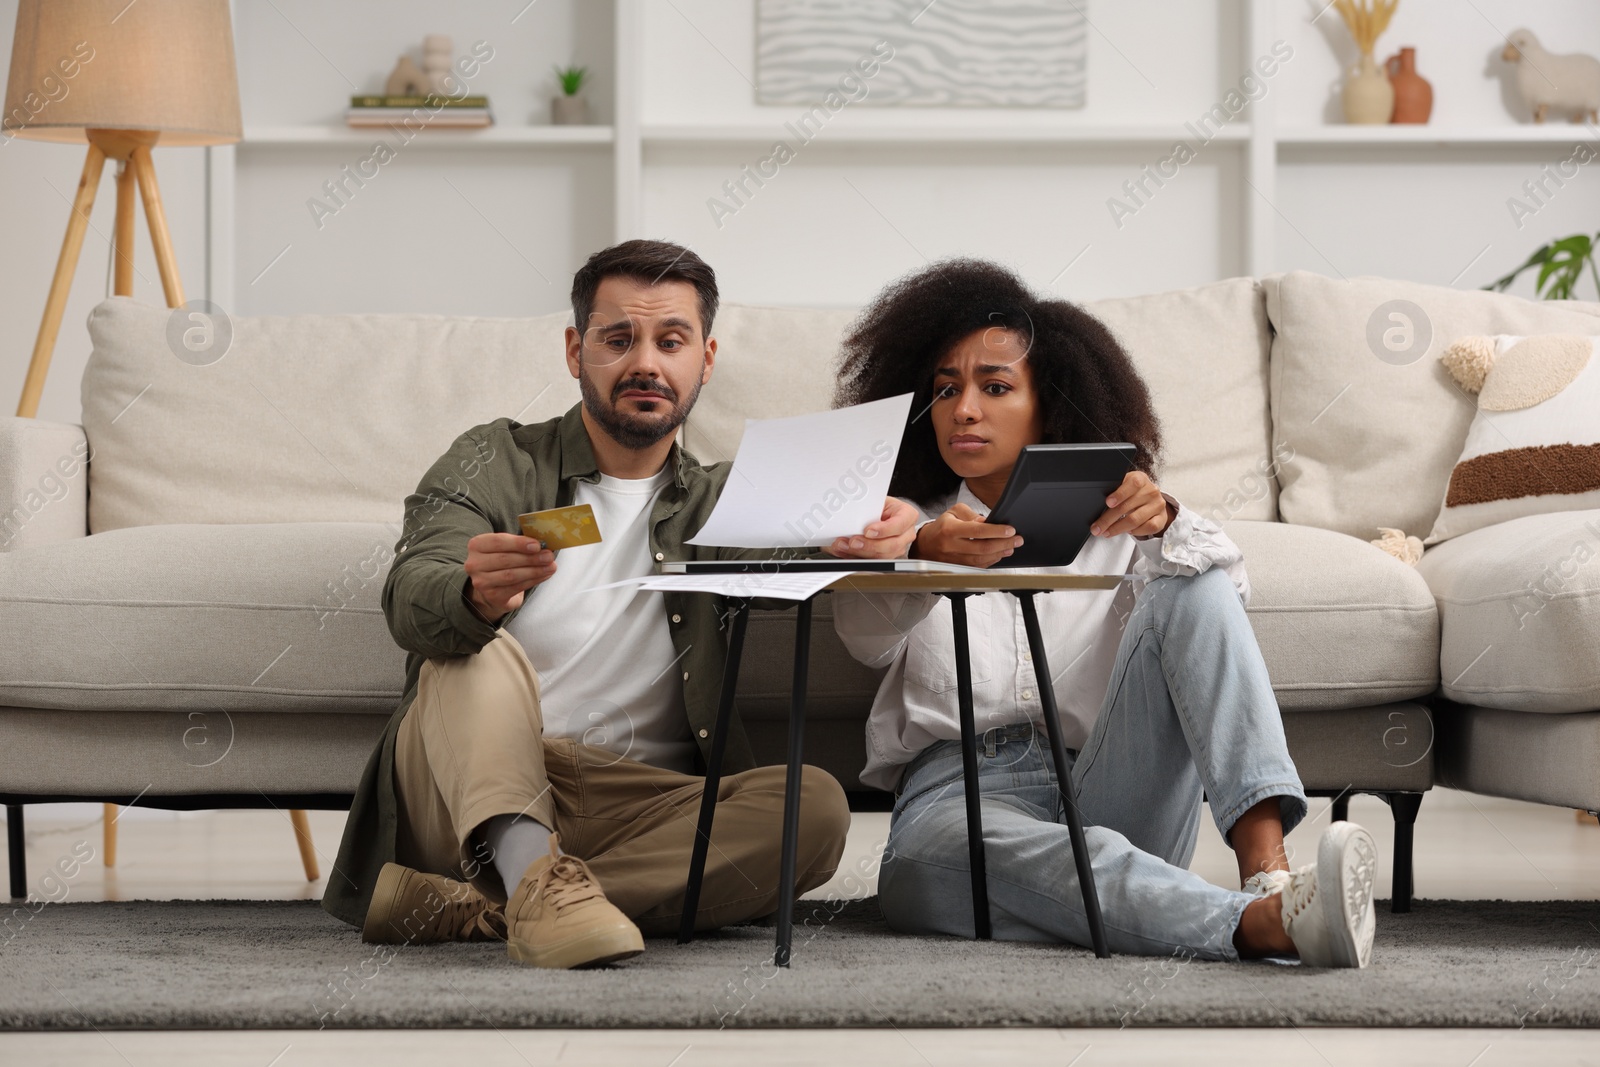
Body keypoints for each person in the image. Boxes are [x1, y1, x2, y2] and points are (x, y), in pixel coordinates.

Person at [322, 240, 920, 968]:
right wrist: (468, 594)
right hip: (470, 779)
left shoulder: (724, 499)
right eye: (618, 339)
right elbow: (411, 592)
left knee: (816, 806)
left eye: (672, 341)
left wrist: (901, 525)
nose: (646, 362)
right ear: (576, 351)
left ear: (706, 358)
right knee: (472, 653)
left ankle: (502, 906)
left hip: (639, 802)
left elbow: (842, 529)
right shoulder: (495, 459)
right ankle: (529, 875)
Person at [831, 259, 1378, 967]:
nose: (963, 409)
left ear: (1050, 402)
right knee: (933, 864)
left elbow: (1219, 607)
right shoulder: (899, 521)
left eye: (995, 387)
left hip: (1113, 782)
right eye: (944, 389)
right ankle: (1265, 923)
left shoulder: (1122, 522)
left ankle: (1269, 874)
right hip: (958, 800)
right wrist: (922, 553)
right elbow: (863, 633)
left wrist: (1166, 521)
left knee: (1195, 580)